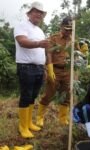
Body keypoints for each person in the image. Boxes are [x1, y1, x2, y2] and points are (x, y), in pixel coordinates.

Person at [14, 1, 49, 138]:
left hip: (39, 68)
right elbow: (22, 42)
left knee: (33, 96)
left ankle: (28, 123)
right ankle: (22, 127)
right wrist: (39, 43)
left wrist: (45, 68)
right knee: (26, 95)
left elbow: (42, 51)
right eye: (36, 12)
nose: (39, 15)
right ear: (29, 13)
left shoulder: (40, 31)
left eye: (41, 13)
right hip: (26, 67)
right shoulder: (22, 26)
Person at [36, 16, 79, 126]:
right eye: (66, 29)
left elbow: (77, 55)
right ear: (61, 27)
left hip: (68, 71)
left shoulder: (74, 39)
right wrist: (49, 68)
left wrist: (82, 52)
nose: (68, 32)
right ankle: (40, 117)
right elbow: (49, 53)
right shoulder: (54, 38)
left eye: (70, 30)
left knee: (67, 94)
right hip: (55, 70)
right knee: (49, 94)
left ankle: (63, 118)